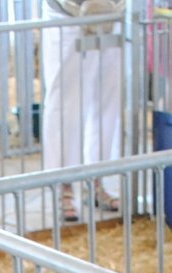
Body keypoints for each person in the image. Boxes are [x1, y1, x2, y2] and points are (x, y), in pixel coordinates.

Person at [42, 0, 125, 223]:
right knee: (66, 103)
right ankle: (64, 187)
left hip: (114, 13)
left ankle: (97, 181)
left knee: (110, 100)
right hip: (68, 13)